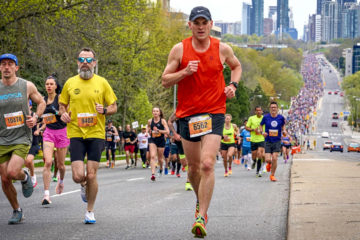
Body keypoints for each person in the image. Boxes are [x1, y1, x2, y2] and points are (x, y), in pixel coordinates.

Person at [161, 6, 242, 238]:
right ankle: (200, 201)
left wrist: (232, 85)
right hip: (187, 115)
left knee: (207, 164)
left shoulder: (222, 48)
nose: (200, 26)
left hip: (214, 112)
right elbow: (165, 81)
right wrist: (185, 72)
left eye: (204, 22)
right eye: (196, 22)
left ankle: (202, 216)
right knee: (194, 168)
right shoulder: (179, 50)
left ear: (210, 24)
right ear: (190, 25)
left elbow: (236, 67)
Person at [59, 47, 117, 224]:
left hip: (96, 133)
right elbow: (62, 105)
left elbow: (114, 106)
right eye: (82, 60)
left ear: (94, 63)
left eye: (88, 60)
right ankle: (83, 185)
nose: (85, 64)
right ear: (77, 62)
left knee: (92, 174)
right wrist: (63, 113)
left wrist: (105, 110)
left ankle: (89, 211)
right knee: (78, 176)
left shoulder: (102, 83)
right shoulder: (70, 83)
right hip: (76, 132)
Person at [0, 53, 46, 224]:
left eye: (10, 64)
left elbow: (41, 102)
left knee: (12, 172)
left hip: (21, 136)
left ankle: (25, 176)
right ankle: (17, 210)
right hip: (2, 138)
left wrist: (35, 117)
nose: (6, 67)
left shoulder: (26, 86)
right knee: (4, 179)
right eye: (3, 64)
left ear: (16, 68)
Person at [41, 74, 70, 205]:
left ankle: (61, 182)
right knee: (48, 162)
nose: (49, 86)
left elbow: (67, 114)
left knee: (61, 165)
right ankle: (46, 195)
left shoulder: (60, 98)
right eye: (47, 84)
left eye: (51, 84)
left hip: (62, 132)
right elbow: (41, 116)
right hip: (48, 132)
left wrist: (56, 111)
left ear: (56, 86)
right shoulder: (42, 100)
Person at [260, 102, 286, 182]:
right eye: (272, 107)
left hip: (277, 141)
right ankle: (269, 163)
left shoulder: (281, 118)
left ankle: (272, 175)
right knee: (268, 159)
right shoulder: (266, 117)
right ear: (270, 109)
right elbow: (260, 125)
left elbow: (283, 126)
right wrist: (262, 132)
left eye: (275, 107)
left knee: (275, 158)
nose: (273, 109)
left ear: (277, 109)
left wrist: (284, 131)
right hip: (268, 140)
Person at [168, 111, 193, 191]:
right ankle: (192, 174)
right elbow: (169, 121)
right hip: (180, 139)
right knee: (184, 163)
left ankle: (188, 182)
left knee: (191, 162)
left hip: (193, 138)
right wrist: (175, 134)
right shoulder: (179, 111)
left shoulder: (196, 108)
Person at [147, 107, 169, 181]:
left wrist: (159, 131)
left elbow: (167, 131)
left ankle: (161, 168)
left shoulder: (162, 121)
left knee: (160, 159)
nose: (155, 112)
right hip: (152, 140)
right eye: (154, 111)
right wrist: (147, 132)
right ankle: (153, 174)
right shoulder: (150, 121)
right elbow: (148, 127)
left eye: (157, 111)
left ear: (159, 113)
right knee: (152, 156)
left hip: (161, 140)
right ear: (152, 113)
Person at [24, 100, 41, 188]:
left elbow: (42, 123)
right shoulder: (22, 116)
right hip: (24, 143)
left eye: (27, 105)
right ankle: (28, 172)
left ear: (30, 106)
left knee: (28, 160)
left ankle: (33, 176)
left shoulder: (35, 115)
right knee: (26, 162)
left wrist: (38, 130)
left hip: (34, 142)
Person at [246, 106, 265, 177]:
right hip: (253, 139)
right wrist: (253, 130)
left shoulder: (264, 118)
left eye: (260, 110)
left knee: (260, 154)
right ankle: (254, 161)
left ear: (262, 111)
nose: (259, 112)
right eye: (257, 110)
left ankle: (258, 171)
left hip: (261, 139)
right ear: (255, 112)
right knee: (254, 155)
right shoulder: (251, 118)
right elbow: (247, 127)